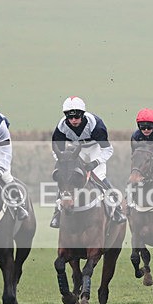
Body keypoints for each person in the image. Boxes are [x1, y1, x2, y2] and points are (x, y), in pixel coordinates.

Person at [49, 96, 126, 228]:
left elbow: (108, 150)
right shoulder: (61, 127)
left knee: (99, 176)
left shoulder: (96, 125)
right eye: (70, 117)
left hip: (95, 149)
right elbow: (57, 152)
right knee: (66, 178)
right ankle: (57, 213)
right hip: (75, 151)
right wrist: (65, 165)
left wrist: (96, 163)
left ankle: (117, 208)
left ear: (83, 115)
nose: (73, 120)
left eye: (77, 117)